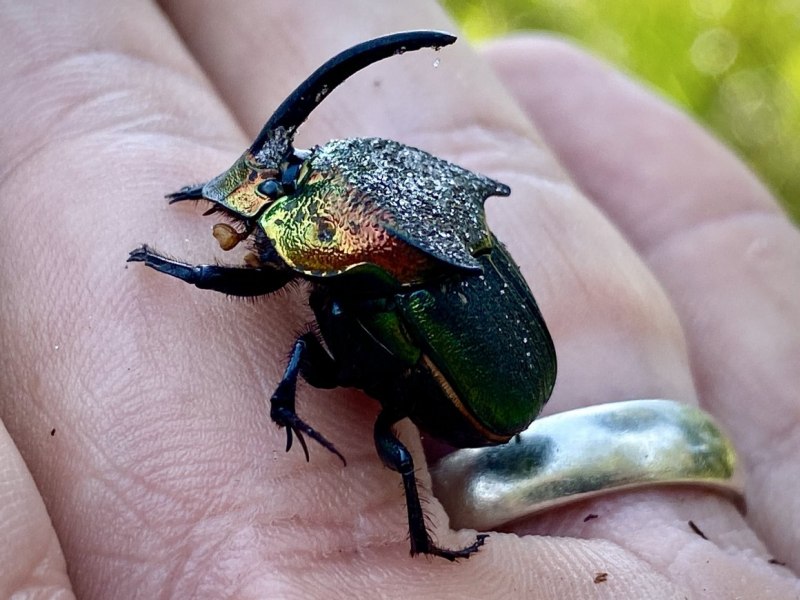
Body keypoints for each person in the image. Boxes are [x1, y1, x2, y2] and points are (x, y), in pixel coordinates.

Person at [1, 2, 798, 598]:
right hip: (515, 374)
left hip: (485, 400)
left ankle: (420, 539)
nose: (282, 182)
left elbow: (266, 283)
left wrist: (168, 269)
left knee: (344, 378)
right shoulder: (383, 235)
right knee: (329, 329)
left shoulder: (375, 268)